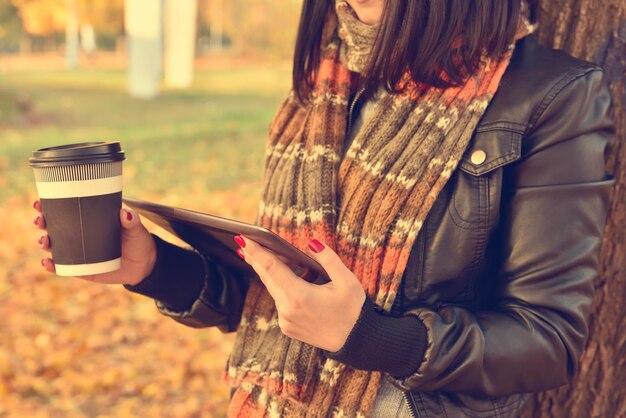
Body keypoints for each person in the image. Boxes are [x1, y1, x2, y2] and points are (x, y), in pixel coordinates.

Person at [33, 0, 616, 416]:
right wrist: (153, 267)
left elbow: (548, 339)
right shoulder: (323, 81)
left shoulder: (553, 95)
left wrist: (372, 337)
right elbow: (278, 303)